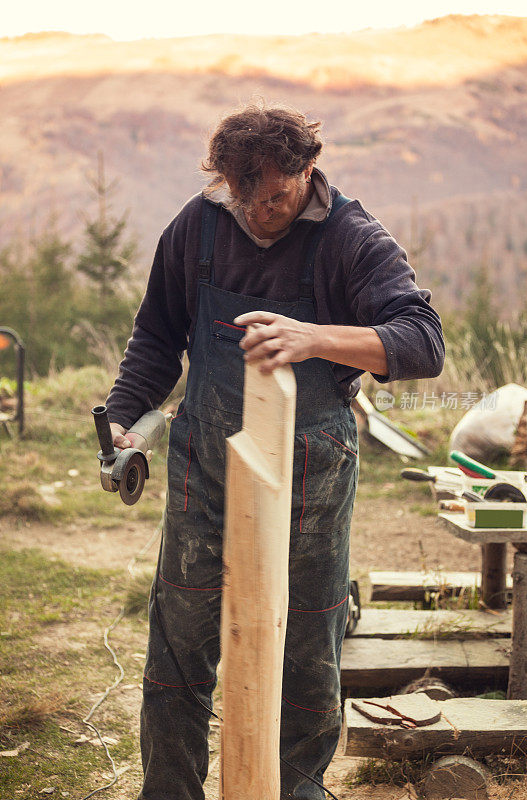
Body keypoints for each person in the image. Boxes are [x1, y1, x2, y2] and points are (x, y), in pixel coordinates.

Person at [105, 103, 444, 800]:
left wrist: (317, 337)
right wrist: (122, 418)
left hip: (310, 471)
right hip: (206, 460)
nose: (259, 213)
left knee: (306, 647)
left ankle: (295, 791)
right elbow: (156, 338)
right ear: (225, 181)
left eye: (276, 198)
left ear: (306, 171)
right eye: (243, 197)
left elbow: (423, 341)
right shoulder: (198, 226)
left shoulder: (350, 236)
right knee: (181, 638)